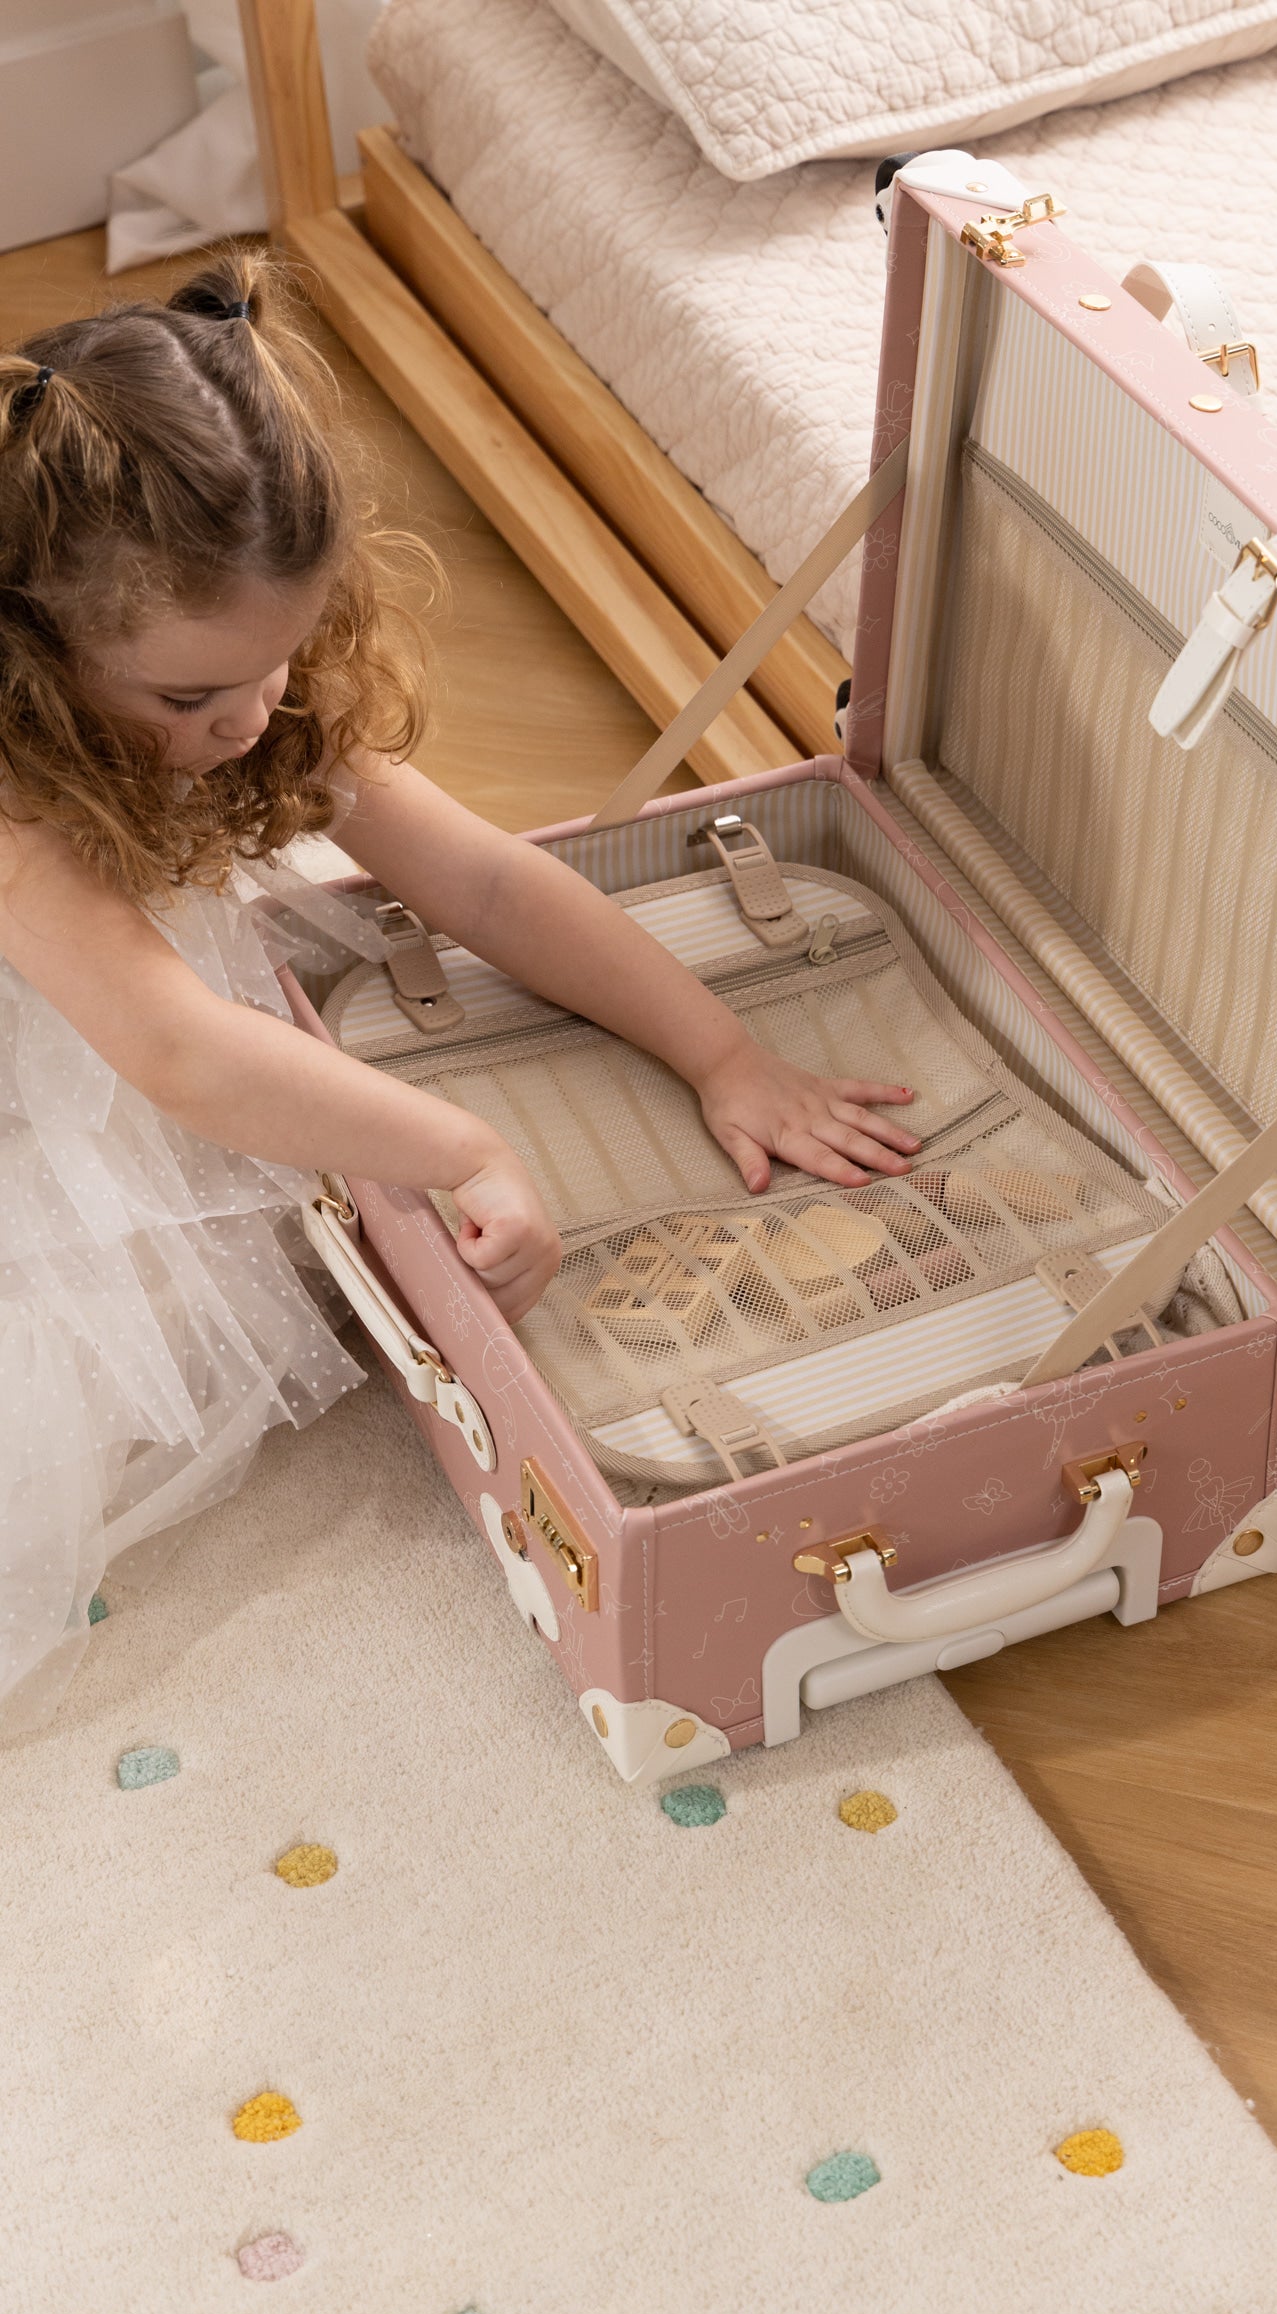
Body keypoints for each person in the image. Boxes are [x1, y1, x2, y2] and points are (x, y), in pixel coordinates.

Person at [0, 253, 918, 1730]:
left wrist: (722, 1049)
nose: (249, 722)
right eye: (190, 701)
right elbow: (169, 1045)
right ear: (34, 657)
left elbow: (482, 883)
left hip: (113, 992)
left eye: (279, 664)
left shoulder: (248, 690)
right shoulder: (18, 790)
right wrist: (465, 1146)